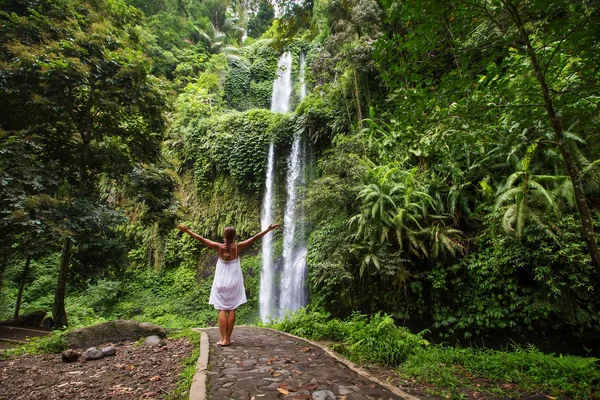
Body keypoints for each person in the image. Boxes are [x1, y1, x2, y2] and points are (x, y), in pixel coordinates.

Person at [176, 223, 280, 346]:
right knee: (231, 309)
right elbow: (254, 238)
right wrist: (268, 229)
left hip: (221, 282)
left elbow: (201, 239)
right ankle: (228, 339)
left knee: (221, 309)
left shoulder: (218, 247)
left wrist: (187, 230)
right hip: (234, 282)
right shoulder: (238, 247)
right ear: (235, 235)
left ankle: (222, 339)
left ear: (223, 235)